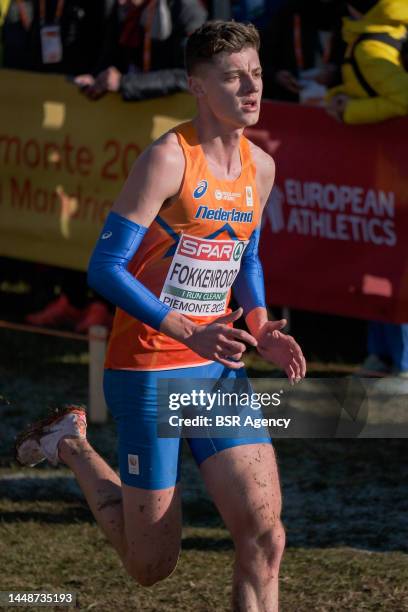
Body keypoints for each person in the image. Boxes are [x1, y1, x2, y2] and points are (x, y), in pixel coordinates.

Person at [15, 20, 306, 611]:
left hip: (217, 372)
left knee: (265, 534)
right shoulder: (168, 160)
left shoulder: (262, 168)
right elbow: (104, 268)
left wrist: (258, 323)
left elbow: (245, 253)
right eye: (232, 78)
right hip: (150, 370)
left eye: (254, 74)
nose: (251, 89)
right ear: (198, 86)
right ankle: (69, 443)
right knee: (152, 566)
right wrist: (182, 327)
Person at [74, 0, 207, 101]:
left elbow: (188, 75)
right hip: (129, 122)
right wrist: (96, 79)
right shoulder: (125, 8)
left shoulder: (187, 12)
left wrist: (124, 83)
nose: (120, 2)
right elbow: (112, 57)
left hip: (170, 120)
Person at [326, 0, 408, 123]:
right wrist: (338, 94)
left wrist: (350, 110)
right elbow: (371, 84)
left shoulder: (369, 49)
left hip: (384, 138)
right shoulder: (395, 30)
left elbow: (404, 100)